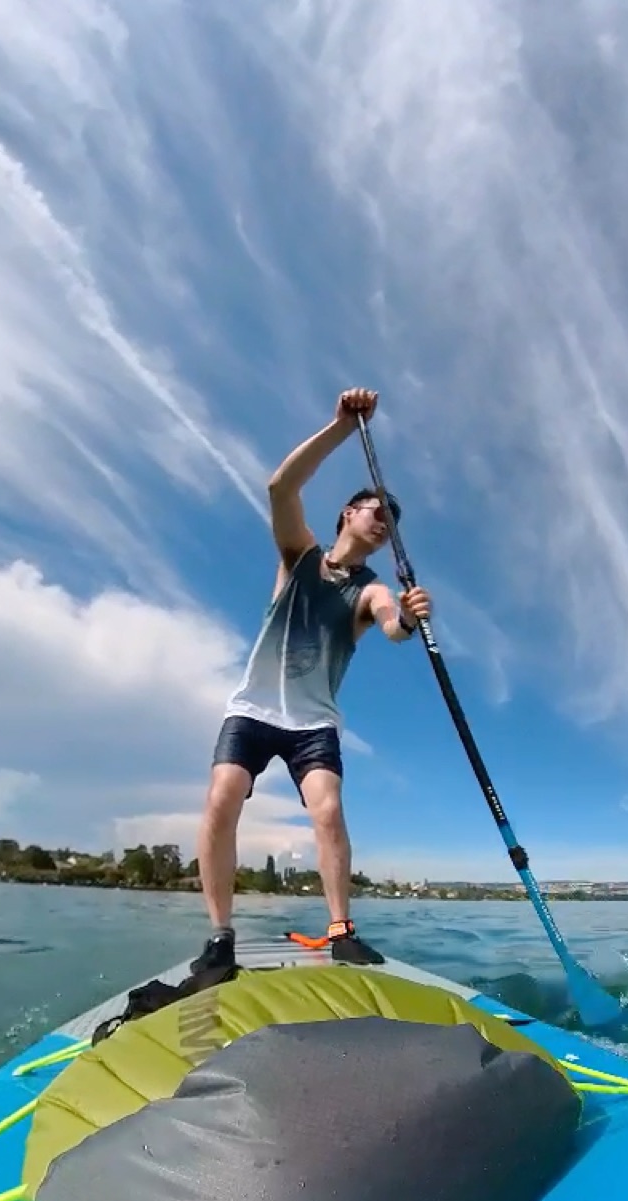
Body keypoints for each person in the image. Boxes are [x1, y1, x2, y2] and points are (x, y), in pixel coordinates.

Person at [193, 387, 431, 973]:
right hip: (253, 709)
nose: (386, 525)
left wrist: (407, 617)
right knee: (222, 798)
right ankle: (220, 937)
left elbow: (391, 626)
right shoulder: (299, 555)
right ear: (349, 513)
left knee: (327, 810)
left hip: (313, 721)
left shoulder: (371, 589)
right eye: (378, 513)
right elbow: (281, 488)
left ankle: (341, 930)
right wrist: (342, 427)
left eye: (393, 525)